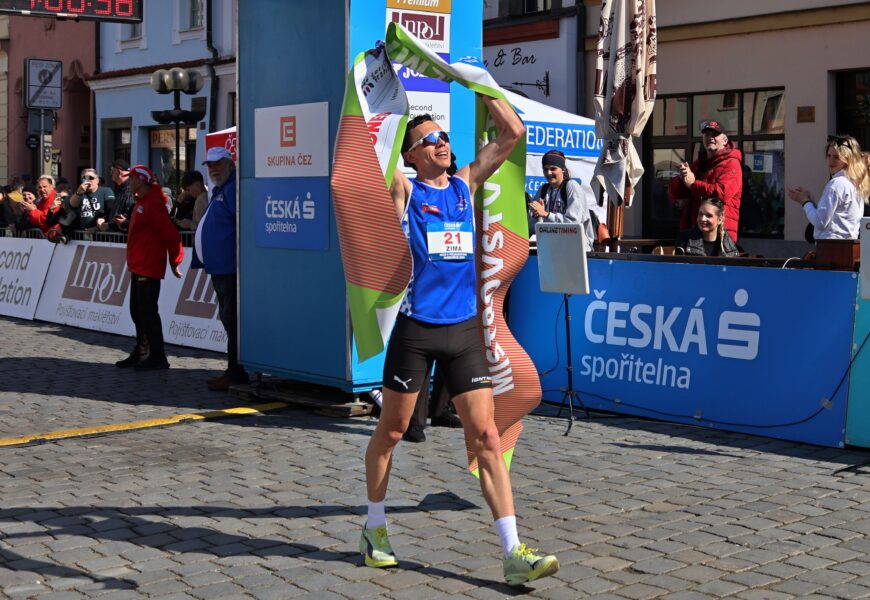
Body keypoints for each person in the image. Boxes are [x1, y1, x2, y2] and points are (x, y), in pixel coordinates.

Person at [360, 102, 560, 587]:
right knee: (392, 432)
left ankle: (514, 552)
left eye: (444, 135)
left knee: (488, 438)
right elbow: (372, 160)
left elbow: (513, 132)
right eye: (429, 140)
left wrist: (479, 85)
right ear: (410, 155)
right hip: (417, 330)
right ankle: (374, 526)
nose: (442, 142)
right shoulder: (404, 190)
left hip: (464, 332)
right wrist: (385, 94)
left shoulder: (463, 185)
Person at [115, 165, 183, 371]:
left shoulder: (153, 203)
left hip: (148, 266)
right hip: (138, 265)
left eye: (133, 178)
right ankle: (142, 350)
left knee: (147, 312)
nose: (129, 181)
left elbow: (170, 234)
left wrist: (175, 260)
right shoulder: (142, 202)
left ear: (142, 181)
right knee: (137, 310)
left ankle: (158, 355)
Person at [193, 147, 248, 391]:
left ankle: (236, 372)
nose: (213, 169)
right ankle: (233, 370)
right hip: (219, 268)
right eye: (210, 165)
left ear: (230, 164)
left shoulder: (233, 189)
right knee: (228, 319)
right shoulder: (220, 190)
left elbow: (242, 224)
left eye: (218, 164)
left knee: (231, 320)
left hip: (230, 268)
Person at [669, 120, 743, 242]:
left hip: (720, 234)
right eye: (707, 134)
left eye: (715, 134)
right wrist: (682, 178)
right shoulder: (699, 164)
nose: (710, 137)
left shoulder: (732, 163)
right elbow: (674, 192)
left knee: (713, 261)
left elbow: (721, 194)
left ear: (725, 141)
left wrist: (693, 184)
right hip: (694, 231)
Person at [787, 134, 870, 240]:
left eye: (836, 157)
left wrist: (805, 202)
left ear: (848, 160)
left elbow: (820, 222)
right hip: (848, 247)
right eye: (829, 156)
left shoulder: (837, 184)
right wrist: (810, 203)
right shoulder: (854, 184)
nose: (830, 161)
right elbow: (836, 219)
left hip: (832, 248)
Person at [527, 149, 596, 249]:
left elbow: (573, 225)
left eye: (553, 168)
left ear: (563, 169)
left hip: (576, 249)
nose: (549, 173)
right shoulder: (543, 190)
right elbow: (532, 227)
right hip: (553, 249)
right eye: (545, 169)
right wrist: (538, 217)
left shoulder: (572, 186)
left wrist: (546, 214)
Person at [675, 197, 740, 257]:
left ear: (720, 219)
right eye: (700, 214)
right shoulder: (684, 240)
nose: (703, 219)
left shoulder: (729, 247)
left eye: (709, 215)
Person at [68, 168, 115, 233]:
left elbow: (111, 211)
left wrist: (97, 228)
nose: (88, 181)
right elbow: (72, 205)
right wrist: (78, 192)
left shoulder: (106, 191)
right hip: (83, 233)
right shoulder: (81, 193)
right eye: (84, 178)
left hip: (100, 234)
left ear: (97, 180)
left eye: (90, 178)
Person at [107, 159, 134, 233]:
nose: (110, 174)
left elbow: (126, 213)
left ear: (119, 171)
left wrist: (109, 225)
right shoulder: (120, 189)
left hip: (125, 236)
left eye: (112, 171)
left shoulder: (131, 189)